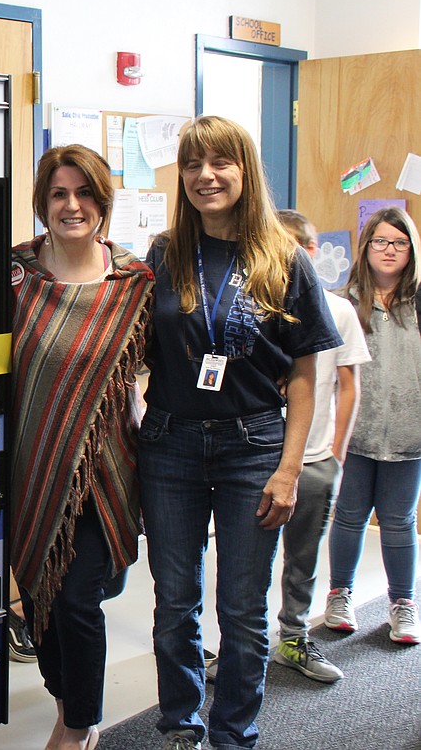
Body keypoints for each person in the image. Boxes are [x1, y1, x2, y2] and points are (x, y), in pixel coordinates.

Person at [139, 116, 340, 750]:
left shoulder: (283, 257)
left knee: (244, 615)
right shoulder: (163, 254)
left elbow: (306, 374)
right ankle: (181, 727)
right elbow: (132, 350)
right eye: (194, 164)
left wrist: (289, 469)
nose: (206, 176)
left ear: (245, 170)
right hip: (169, 447)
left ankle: (234, 735)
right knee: (175, 606)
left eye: (221, 162)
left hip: (253, 448)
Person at [10, 144, 154, 750]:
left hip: (103, 470)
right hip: (27, 465)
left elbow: (154, 373)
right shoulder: (16, 273)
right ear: (43, 203)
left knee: (76, 600)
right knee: (36, 595)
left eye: (84, 193)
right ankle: (70, 701)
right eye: (59, 194)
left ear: (102, 200)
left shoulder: (133, 282)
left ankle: (77, 727)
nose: (73, 206)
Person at [270, 209, 370, 683]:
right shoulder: (258, 310)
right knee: (244, 563)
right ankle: (234, 644)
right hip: (260, 456)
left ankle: (293, 635)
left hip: (314, 458)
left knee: (303, 558)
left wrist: (337, 451)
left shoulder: (340, 310)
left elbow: (348, 384)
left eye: (299, 247)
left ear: (313, 252)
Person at [326, 205, 421, 645]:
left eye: (399, 243)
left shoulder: (418, 302)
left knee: (400, 521)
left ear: (411, 251)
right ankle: (339, 594)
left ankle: (403, 603)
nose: (389, 250)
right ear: (366, 248)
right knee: (348, 516)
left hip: (409, 435)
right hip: (355, 434)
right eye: (381, 241)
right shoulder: (342, 302)